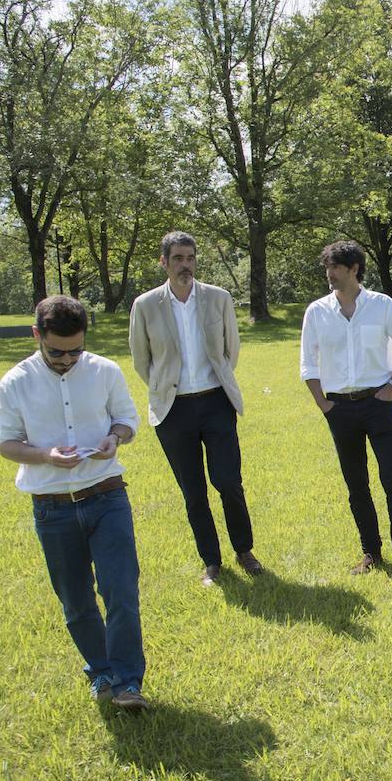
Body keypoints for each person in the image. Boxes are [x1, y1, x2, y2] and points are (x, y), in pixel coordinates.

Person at [0, 295, 150, 711]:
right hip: (52, 507)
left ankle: (128, 683)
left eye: (75, 351)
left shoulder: (104, 371)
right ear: (37, 335)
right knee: (76, 601)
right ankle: (101, 671)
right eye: (57, 352)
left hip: (107, 495)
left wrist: (114, 438)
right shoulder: (15, 382)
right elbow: (5, 442)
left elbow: (127, 420)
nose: (67, 360)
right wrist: (45, 455)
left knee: (120, 591)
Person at [129, 231, 264, 588]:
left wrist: (217, 382)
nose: (185, 265)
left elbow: (231, 349)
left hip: (216, 402)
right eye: (177, 258)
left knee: (229, 482)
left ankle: (244, 550)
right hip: (173, 411)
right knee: (193, 492)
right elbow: (141, 359)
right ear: (164, 262)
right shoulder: (145, 305)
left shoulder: (218, 298)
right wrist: (165, 388)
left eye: (190, 258)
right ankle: (211, 561)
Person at [300, 240, 392, 583]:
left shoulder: (381, 305)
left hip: (378, 404)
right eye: (328, 267)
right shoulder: (317, 311)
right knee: (356, 484)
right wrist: (323, 404)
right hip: (339, 408)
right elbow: (308, 363)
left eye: (335, 267)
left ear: (354, 268)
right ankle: (371, 551)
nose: (329, 273)